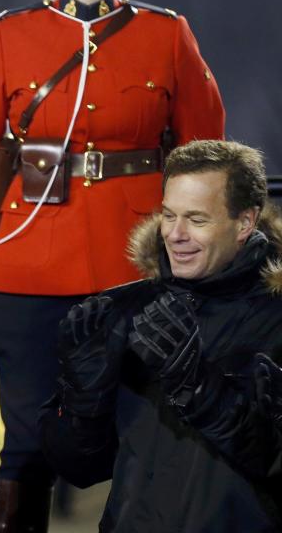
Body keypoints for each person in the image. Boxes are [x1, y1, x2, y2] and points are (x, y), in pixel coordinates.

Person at [0, 0, 225, 527]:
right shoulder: (8, 35)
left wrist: (173, 234)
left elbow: (204, 152)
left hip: (142, 269)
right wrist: (27, 215)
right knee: (24, 446)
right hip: (32, 270)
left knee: (154, 438)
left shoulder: (165, 32)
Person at [40, 140, 282, 531]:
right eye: (169, 215)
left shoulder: (276, 316)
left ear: (245, 223)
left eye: (197, 219)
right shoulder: (123, 310)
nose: (175, 234)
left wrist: (203, 391)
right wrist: (84, 395)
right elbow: (79, 469)